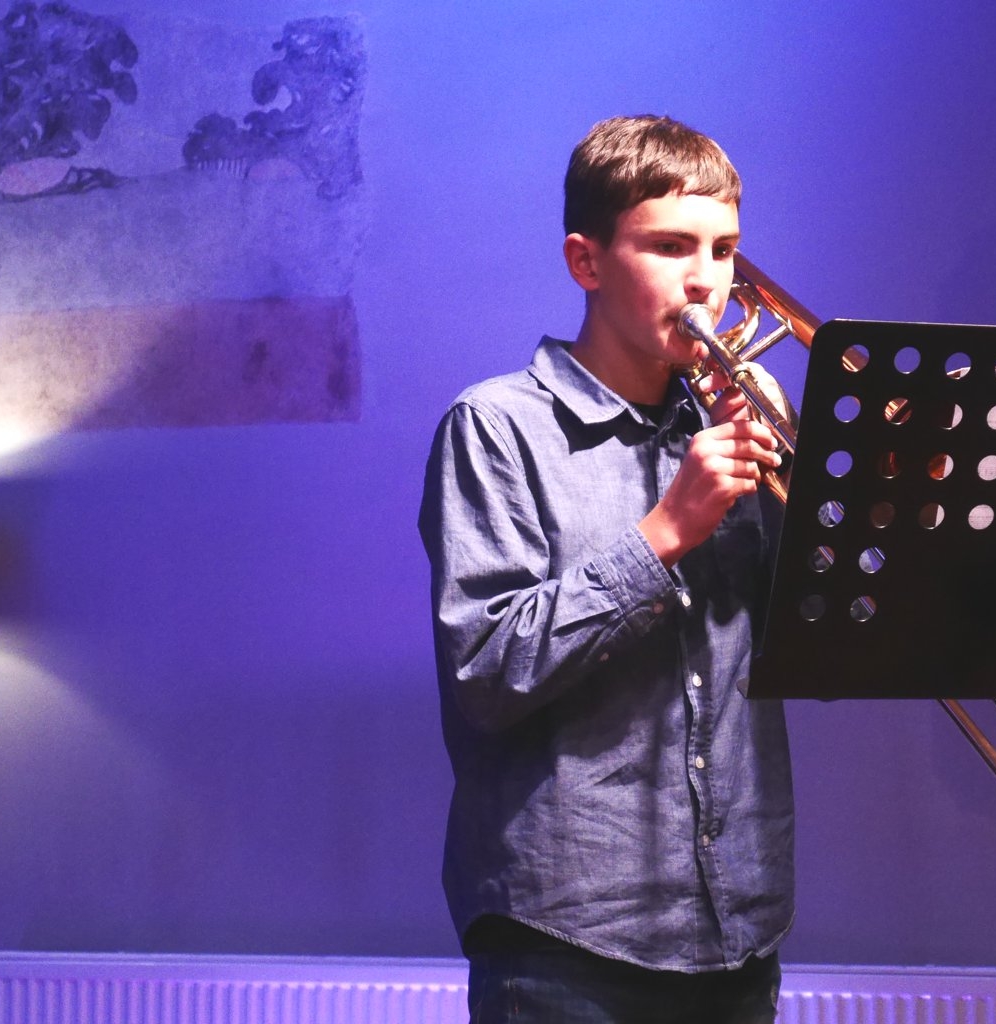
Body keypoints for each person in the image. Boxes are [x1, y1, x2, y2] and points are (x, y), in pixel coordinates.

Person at [419, 115, 793, 1024]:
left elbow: (818, 638)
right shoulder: (496, 427)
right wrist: (664, 533)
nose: (705, 280)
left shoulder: (735, 430)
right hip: (565, 936)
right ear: (585, 262)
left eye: (723, 250)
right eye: (669, 246)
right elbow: (486, 673)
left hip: (738, 924)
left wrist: (847, 492)